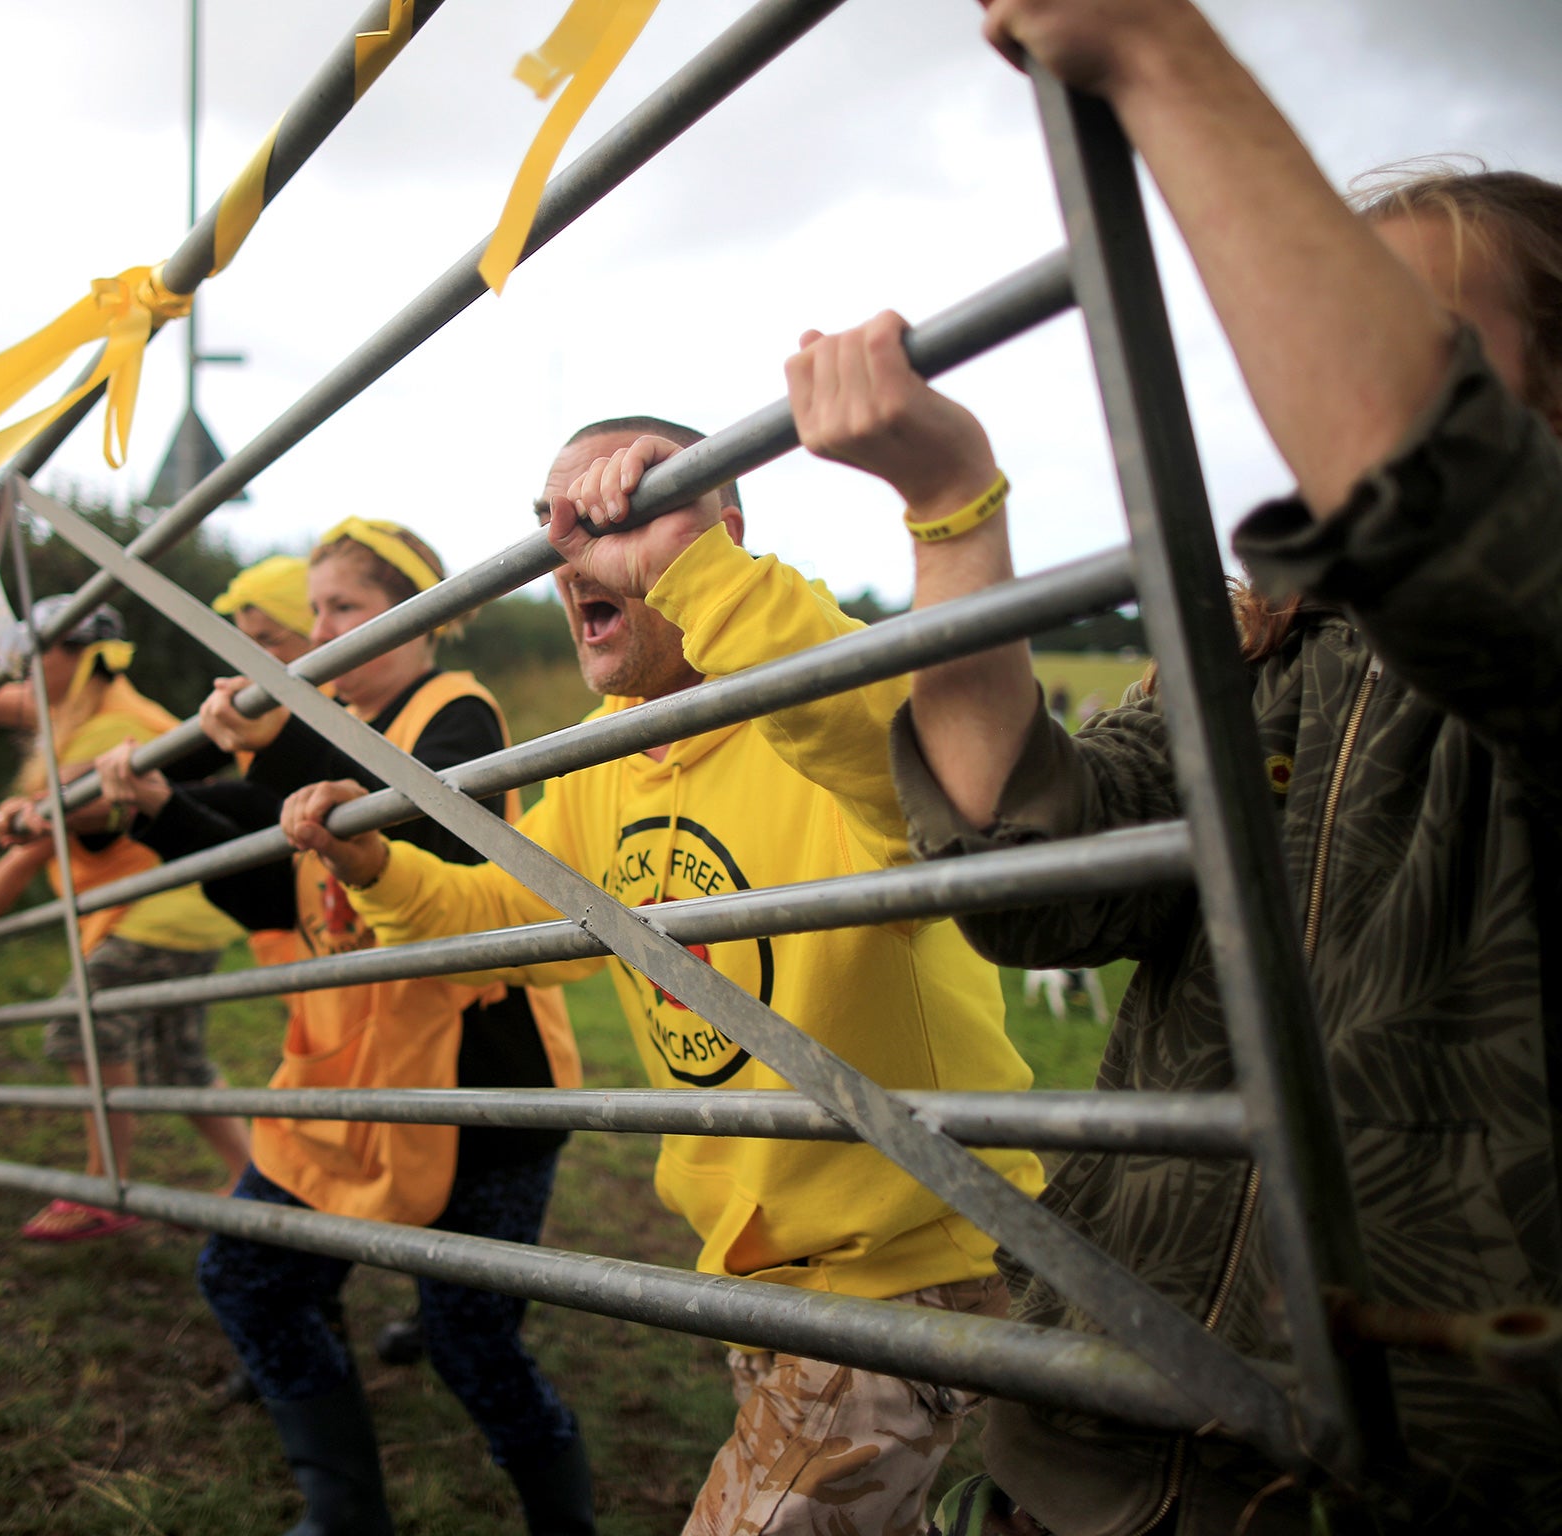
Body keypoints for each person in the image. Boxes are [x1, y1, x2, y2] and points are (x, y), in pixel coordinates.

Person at [643, 3, 1562, 1527]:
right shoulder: (1252, 655)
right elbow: (1026, 874)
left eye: (1417, 339)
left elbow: (1450, 515)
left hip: (1430, 1474)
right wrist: (954, 508)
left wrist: (1152, 48)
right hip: (1109, 1434)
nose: (1306, 369)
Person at [278, 421, 1046, 1536]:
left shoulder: (810, 701)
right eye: (557, 532)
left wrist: (701, 572)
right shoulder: (598, 758)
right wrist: (378, 864)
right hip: (755, 1258)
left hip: (905, 1250)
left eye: (618, 522)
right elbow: (498, 907)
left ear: (711, 535)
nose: (574, 557)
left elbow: (908, 750)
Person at [89, 521, 591, 1536]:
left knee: (469, 1344)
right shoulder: (324, 727)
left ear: (419, 617)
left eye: (344, 609)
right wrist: (154, 808)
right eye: (313, 610)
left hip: (482, 1091)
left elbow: (404, 823)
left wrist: (277, 733)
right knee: (247, 1275)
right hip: (350, 1072)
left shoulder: (458, 717)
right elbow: (270, 885)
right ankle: (342, 1514)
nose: (317, 633)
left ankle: (563, 1522)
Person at [0, 597, 254, 1240]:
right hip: (175, 906)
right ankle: (255, 1181)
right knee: (178, 1061)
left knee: (80, 1027)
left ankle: (105, 1186)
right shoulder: (77, 704)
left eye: (37, 656)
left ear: (80, 655)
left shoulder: (106, 729)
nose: (23, 672)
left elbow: (29, 849)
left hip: (156, 908)